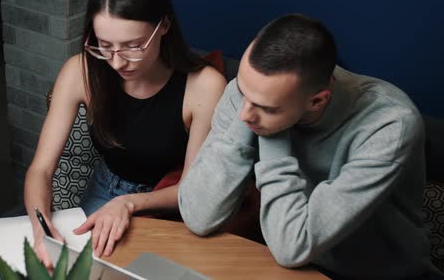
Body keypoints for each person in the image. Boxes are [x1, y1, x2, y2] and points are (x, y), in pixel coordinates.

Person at [178, 14, 441, 279]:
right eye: (243, 92)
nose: (244, 116)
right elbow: (198, 216)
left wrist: (273, 135)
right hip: (284, 270)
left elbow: (292, 247)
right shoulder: (249, 94)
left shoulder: (389, 124)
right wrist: (264, 114)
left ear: (316, 102)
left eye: (266, 107)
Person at [24, 0, 226, 268]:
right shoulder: (80, 72)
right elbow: (40, 170)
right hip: (104, 193)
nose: (117, 62)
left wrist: (129, 203)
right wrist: (41, 229)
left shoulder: (205, 86)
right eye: (105, 46)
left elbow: (191, 189)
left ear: (165, 26)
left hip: (170, 204)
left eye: (133, 47)